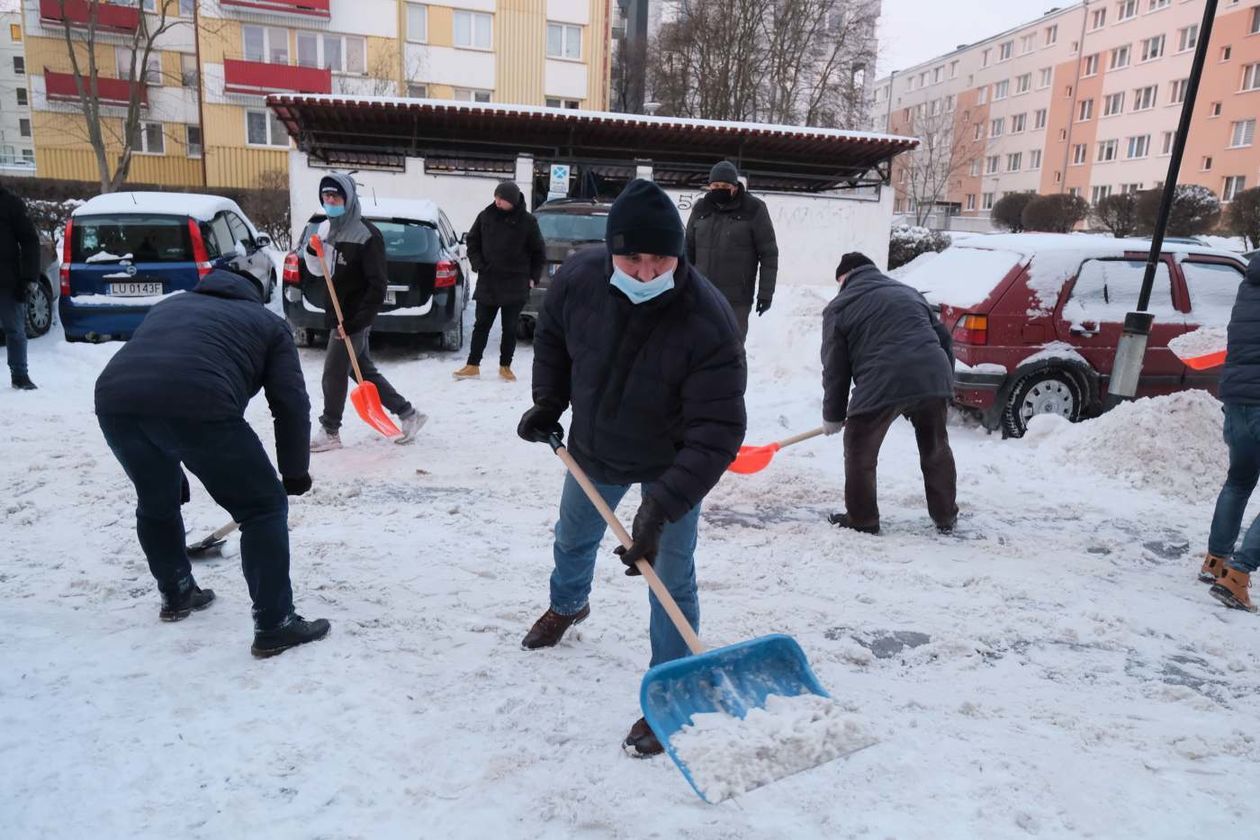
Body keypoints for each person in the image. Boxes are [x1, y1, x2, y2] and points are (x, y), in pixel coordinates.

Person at [516, 179, 747, 757]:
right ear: (611, 251)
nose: (645, 272)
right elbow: (553, 339)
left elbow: (718, 431)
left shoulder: (709, 320)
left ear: (680, 253)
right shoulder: (578, 279)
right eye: (632, 258)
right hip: (596, 449)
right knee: (572, 539)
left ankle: (671, 688)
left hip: (671, 464)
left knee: (670, 577)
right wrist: (549, 400)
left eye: (660, 259)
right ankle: (569, 605)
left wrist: (662, 504)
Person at [95, 264, 330, 658]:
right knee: (263, 507)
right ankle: (275, 624)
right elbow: (290, 403)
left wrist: (170, 460)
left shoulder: (172, 305)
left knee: (156, 501)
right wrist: (293, 473)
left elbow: (158, 371)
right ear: (253, 293)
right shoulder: (268, 324)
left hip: (114, 399)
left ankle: (177, 592)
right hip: (199, 402)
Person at [821, 252, 958, 535]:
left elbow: (835, 368)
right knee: (936, 447)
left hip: (882, 379)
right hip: (932, 373)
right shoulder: (909, 293)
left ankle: (863, 518)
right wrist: (942, 384)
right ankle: (945, 515)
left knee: (860, 449)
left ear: (844, 278)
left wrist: (833, 416)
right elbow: (944, 339)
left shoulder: (840, 306)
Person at [305, 174, 425, 451]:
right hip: (338, 314)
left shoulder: (368, 235)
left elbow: (377, 285)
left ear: (347, 199)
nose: (330, 202)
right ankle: (409, 413)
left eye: (335, 197)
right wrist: (315, 253)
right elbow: (316, 270)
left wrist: (356, 322)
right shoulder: (324, 230)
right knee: (363, 372)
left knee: (333, 372)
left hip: (354, 318)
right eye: (326, 197)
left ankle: (330, 429)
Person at [1201, 253, 1260, 613]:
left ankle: (1215, 561)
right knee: (1239, 482)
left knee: (1238, 481)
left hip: (1237, 398)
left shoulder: (1249, 284)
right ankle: (1237, 576)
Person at [453, 181, 545, 382]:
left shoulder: (528, 222)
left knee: (510, 328)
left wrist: (533, 277)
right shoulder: (486, 215)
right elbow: (472, 240)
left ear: (512, 201)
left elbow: (539, 252)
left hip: (516, 282)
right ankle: (472, 364)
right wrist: (477, 264)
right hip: (489, 280)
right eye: (496, 197)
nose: (497, 202)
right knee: (481, 325)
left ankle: (505, 366)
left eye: (501, 199)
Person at [684, 160, 779, 341]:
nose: (719, 189)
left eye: (725, 186)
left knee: (731, 351)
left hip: (737, 300)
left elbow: (768, 254)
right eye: (715, 185)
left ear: (735, 186)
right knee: (698, 348)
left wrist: (766, 293)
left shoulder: (754, 209)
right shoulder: (700, 208)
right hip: (702, 295)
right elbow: (687, 249)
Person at [0, 183, 41, 390]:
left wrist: (29, 278)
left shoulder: (10, 203)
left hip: (8, 281)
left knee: (15, 330)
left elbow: (30, 241)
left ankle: (20, 375)